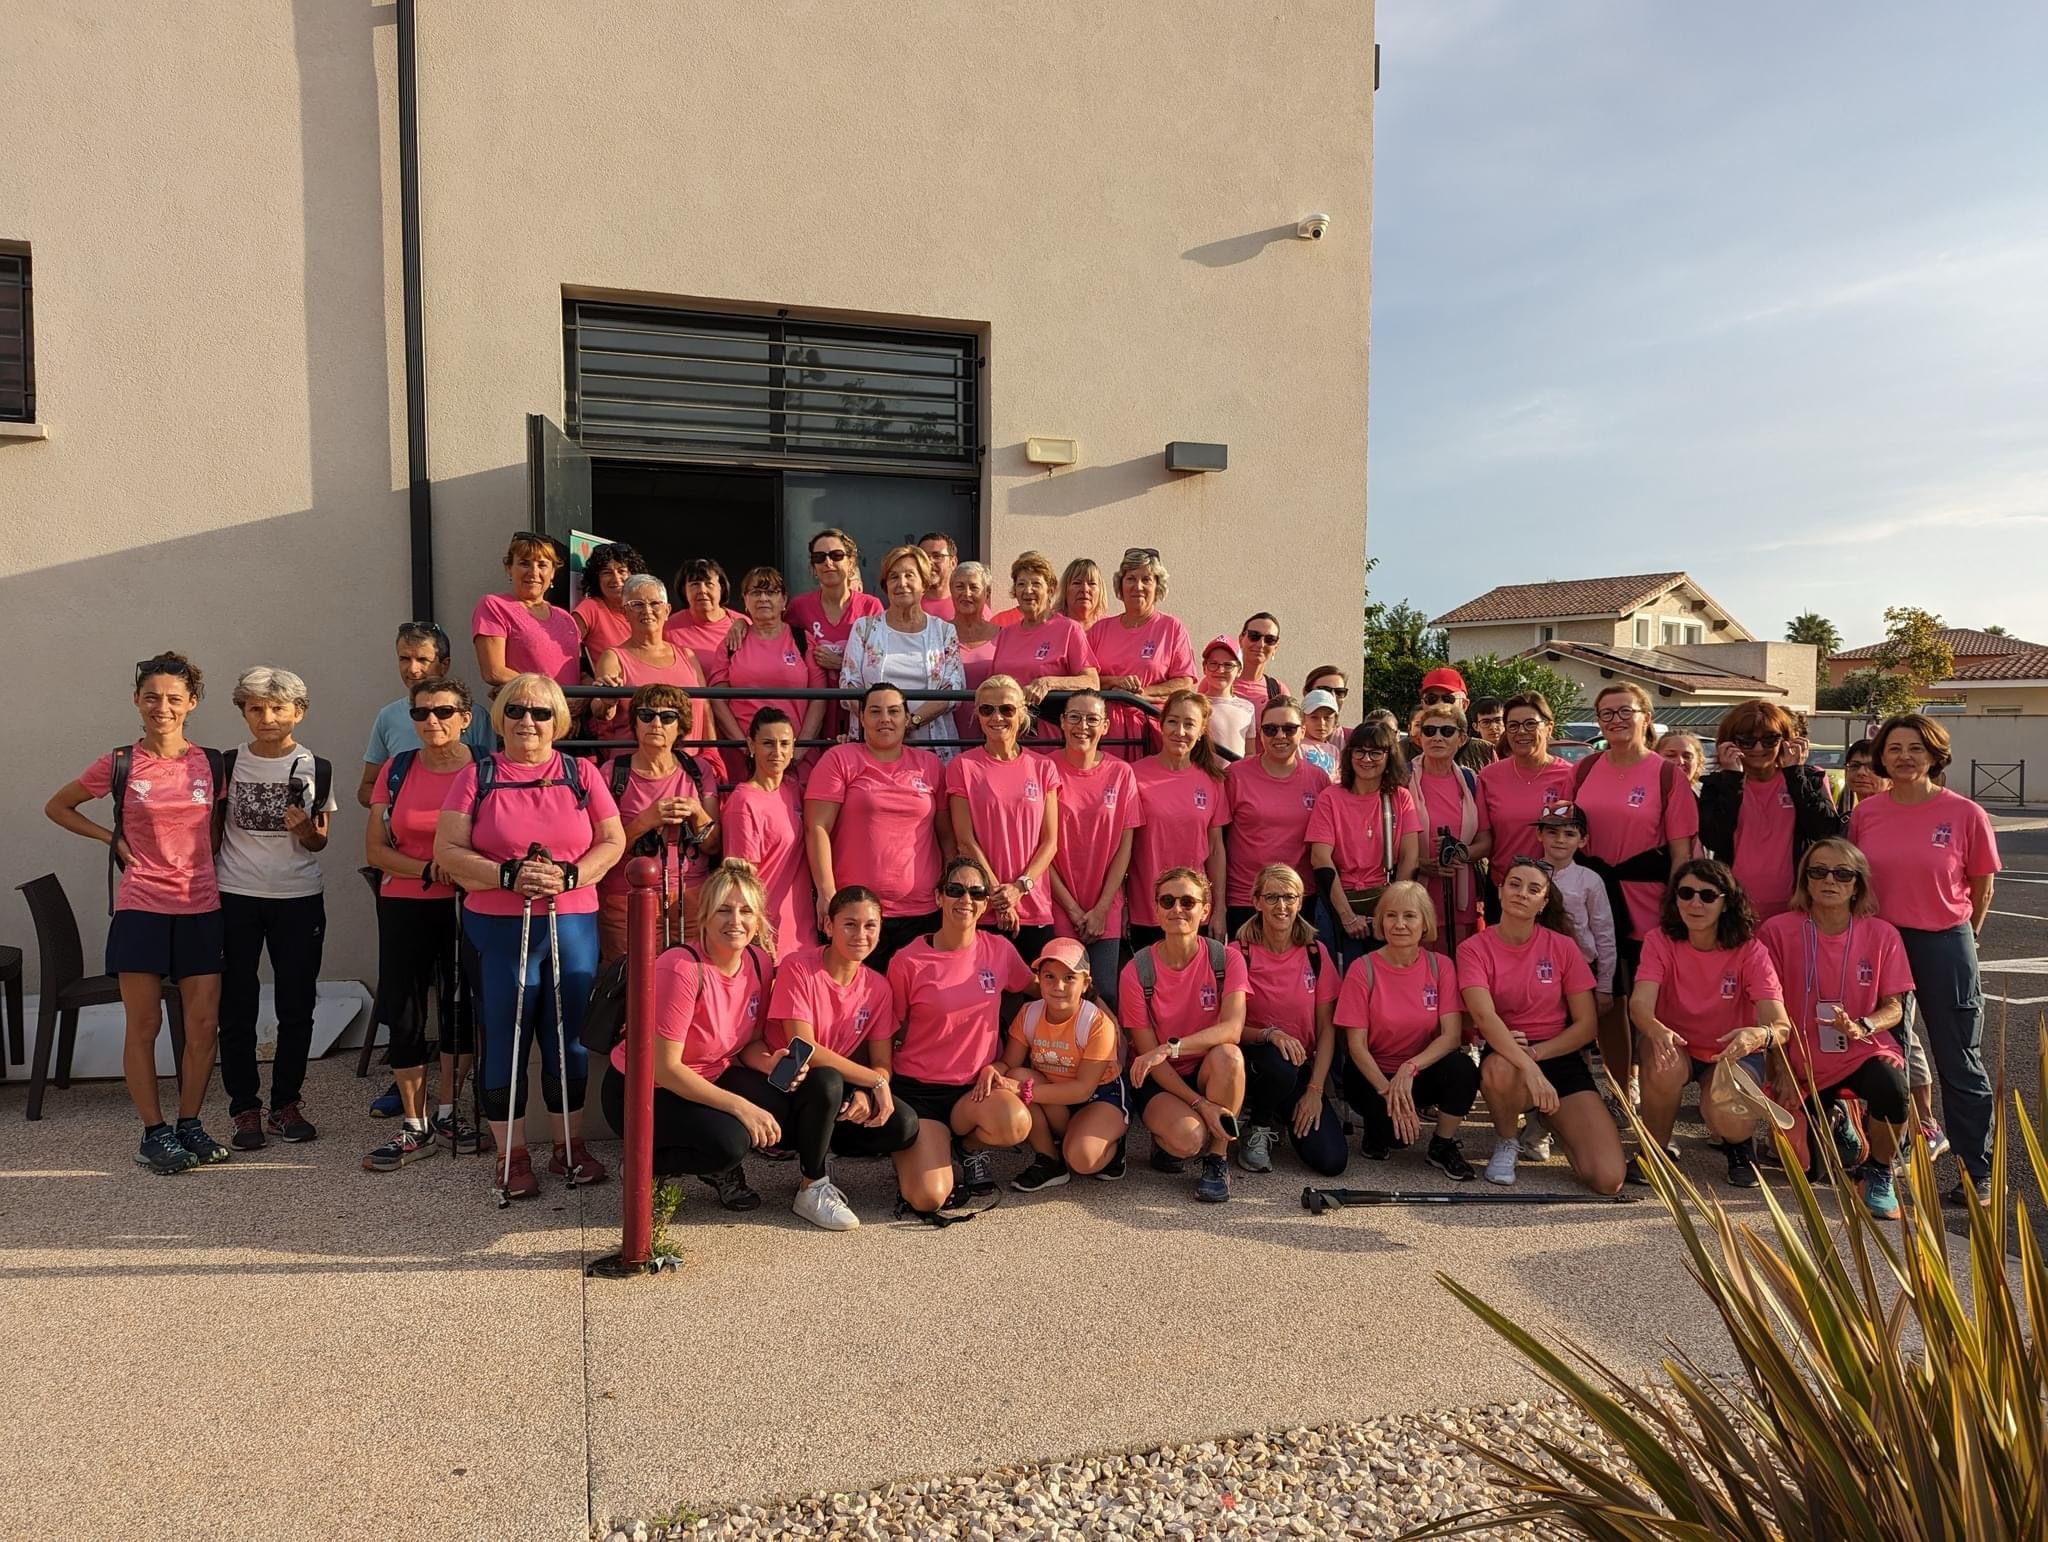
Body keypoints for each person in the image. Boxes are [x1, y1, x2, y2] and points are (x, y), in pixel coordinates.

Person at [433, 672, 626, 1198]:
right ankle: (510, 1154)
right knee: (506, 1034)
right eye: (517, 710)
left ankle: (570, 1144)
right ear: (501, 717)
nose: (528, 721)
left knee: (569, 1039)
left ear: (558, 720)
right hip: (498, 924)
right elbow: (446, 850)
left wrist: (569, 875)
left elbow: (612, 841)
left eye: (541, 713)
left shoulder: (581, 773)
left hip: (571, 920)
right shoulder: (477, 776)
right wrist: (503, 874)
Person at [45, 652, 230, 1174]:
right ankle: (153, 1132)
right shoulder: (120, 762)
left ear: (191, 703)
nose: (162, 707)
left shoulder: (211, 763)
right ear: (136, 700)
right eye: (152, 697)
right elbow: (58, 806)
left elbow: (216, 831)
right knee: (143, 1024)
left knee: (202, 1024)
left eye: (174, 698)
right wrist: (112, 839)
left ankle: (189, 1123)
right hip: (141, 905)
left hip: (202, 905)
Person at [1848, 713, 2000, 1205]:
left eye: (1916, 748)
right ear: (1881, 756)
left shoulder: (1964, 813)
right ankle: (1883, 1163)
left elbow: (1982, 886)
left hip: (1943, 943)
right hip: (1882, 943)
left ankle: (1976, 1170)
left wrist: (1965, 936)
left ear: (1936, 755)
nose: (1904, 757)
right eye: (1894, 748)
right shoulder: (1867, 813)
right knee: (1884, 1057)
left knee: (1959, 1058)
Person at [593, 859, 782, 1218]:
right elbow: (664, 1069)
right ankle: (648, 1166)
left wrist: (770, 1063)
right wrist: (740, 1106)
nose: (736, 921)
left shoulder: (759, 961)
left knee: (782, 1100)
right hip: (645, 1091)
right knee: (732, 1140)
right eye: (724, 910)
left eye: (746, 911)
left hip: (708, 1075)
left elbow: (751, 1041)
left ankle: (709, 1152)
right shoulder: (681, 968)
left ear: (758, 919)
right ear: (705, 916)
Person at [214, 666, 338, 1148]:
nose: (267, 718)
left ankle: (287, 1103)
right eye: (256, 708)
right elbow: (210, 831)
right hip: (235, 895)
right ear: (243, 711)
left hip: (298, 898)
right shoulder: (225, 764)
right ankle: (245, 1108)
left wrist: (304, 829)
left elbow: (320, 842)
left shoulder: (316, 767)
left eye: (278, 708)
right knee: (237, 1006)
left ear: (298, 712)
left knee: (297, 1005)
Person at [750, 885, 923, 1229]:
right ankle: (811, 1186)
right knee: (826, 1079)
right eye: (850, 924)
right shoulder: (798, 967)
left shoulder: (877, 986)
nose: (861, 934)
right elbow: (805, 1048)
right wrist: (871, 1081)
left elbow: (881, 1063)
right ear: (829, 926)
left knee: (903, 1125)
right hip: (783, 1084)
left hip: (829, 1090)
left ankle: (823, 1144)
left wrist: (864, 1091)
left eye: (870, 925)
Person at [362, 675, 482, 1170]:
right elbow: (375, 849)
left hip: (467, 902)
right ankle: (415, 1124)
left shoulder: (484, 770)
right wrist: (430, 868)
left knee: (460, 1005)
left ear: (465, 719)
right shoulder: (398, 767)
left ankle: (451, 1110)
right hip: (406, 902)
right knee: (406, 1009)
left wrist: (461, 869)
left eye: (444, 712)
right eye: (421, 712)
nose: (432, 721)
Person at [1758, 839, 1914, 1217]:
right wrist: (1779, 1066)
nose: (1830, 880)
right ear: (1806, 880)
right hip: (1803, 1059)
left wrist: (1863, 1025)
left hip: (1861, 1049)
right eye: (1818, 871)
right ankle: (1843, 1121)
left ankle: (1878, 1170)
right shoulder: (1777, 931)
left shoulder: (1882, 934)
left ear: (1856, 884)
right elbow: (1765, 1007)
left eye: (1842, 873)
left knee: (1892, 1089)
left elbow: (1894, 1007)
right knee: (1807, 1173)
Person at [1458, 856, 1624, 1193]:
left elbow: (1587, 1026)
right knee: (1500, 1071)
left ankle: (1547, 1118)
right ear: (1501, 891)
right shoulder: (1473, 948)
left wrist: (1538, 1055)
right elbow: (1485, 1020)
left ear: (1544, 902)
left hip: (1558, 1053)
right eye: (1515, 884)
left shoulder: (1562, 947)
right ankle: (1508, 1141)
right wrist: (1530, 1068)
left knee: (1608, 1179)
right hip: (1508, 1050)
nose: (1522, 893)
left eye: (1533, 889)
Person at [878, 856, 1035, 1211]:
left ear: (984, 904)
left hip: (974, 1091)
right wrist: (879, 1087)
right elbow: (887, 1032)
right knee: (929, 1198)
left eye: (977, 893)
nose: (966, 899)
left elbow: (1040, 989)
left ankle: (968, 1149)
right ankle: (922, 1148)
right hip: (920, 1090)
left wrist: (1091, 1001)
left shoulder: (999, 950)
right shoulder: (907, 960)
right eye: (955, 890)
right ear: (938, 898)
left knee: (1015, 1123)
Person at [1630, 860, 1790, 1188]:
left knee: (1725, 1112)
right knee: (1663, 1062)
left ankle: (1741, 1147)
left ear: (1726, 901)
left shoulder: (1751, 950)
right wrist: (1656, 1029)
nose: (1695, 903)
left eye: (1707, 895)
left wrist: (1758, 1034)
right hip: (1678, 1044)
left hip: (1730, 1052)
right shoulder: (1659, 940)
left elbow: (1781, 1025)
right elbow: (1639, 1005)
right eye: (1686, 893)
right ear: (1674, 899)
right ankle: (1655, 1149)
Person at [1571, 682, 1699, 1085]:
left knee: (1645, 1003)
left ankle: (1653, 1086)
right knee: (1605, 999)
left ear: (1647, 718)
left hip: (1646, 903)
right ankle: (1619, 1086)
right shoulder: (1586, 768)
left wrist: (1677, 910)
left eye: (1626, 711)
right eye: (1607, 713)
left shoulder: (1665, 774)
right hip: (1592, 900)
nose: (1616, 720)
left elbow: (1681, 854)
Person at [1333, 882, 1479, 1179]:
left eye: (1410, 916)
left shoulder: (1441, 966)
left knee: (1463, 1068)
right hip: (1372, 1076)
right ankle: (1376, 1131)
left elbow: (1451, 1036)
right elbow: (1356, 1047)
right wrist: (1390, 1092)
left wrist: (1409, 1069)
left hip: (1418, 1071)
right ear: (1381, 921)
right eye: (1391, 916)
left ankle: (1442, 1144)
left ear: (1425, 922)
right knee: (1392, 1141)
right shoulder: (1362, 969)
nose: (1399, 924)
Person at [805, 683, 953, 971]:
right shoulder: (840, 759)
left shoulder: (930, 765)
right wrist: (826, 892)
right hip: (857, 911)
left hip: (922, 911)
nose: (885, 718)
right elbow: (817, 827)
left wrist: (948, 893)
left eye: (894, 711)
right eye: (875, 711)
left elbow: (946, 836)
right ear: (861, 719)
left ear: (906, 718)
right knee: (858, 1003)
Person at [1123, 867, 1250, 1203]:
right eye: (1167, 900)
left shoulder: (1226, 958)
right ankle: (1172, 1139)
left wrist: (1172, 1046)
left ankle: (1217, 1158)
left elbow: (1232, 1029)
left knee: (1229, 1055)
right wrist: (1202, 1105)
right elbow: (1149, 1055)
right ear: (1156, 909)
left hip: (1205, 1067)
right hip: (1160, 1077)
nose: (1177, 908)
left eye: (1188, 901)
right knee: (1187, 1139)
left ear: (1205, 910)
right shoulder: (1136, 969)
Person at [1232, 864, 1347, 1176]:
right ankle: (1258, 1124)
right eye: (1271, 897)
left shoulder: (1316, 952)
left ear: (1300, 901)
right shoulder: (1238, 953)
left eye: (1289, 897)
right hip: (1252, 1061)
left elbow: (1326, 1031)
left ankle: (1279, 1113)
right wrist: (1270, 1034)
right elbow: (1225, 1027)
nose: (1281, 906)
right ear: (1256, 901)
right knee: (1278, 1060)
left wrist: (1315, 1090)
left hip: (1297, 1068)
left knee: (1332, 1160)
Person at [595, 683, 718, 960]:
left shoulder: (698, 770)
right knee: (630, 985)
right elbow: (600, 850)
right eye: (647, 715)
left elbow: (713, 845)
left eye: (668, 717)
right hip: (628, 898)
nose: (657, 724)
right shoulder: (613, 773)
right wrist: (646, 820)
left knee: (689, 977)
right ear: (635, 723)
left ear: (681, 726)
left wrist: (698, 813)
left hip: (692, 896)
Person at [997, 937, 1131, 1190]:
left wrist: (1019, 1090)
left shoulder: (1097, 1022)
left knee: (1083, 1159)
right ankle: (1050, 1160)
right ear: (1039, 979)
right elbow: (1009, 1065)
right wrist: (992, 1073)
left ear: (1085, 983)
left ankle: (1112, 1143)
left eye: (1069, 977)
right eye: (1049, 976)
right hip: (1056, 1093)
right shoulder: (1029, 1013)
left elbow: (1083, 1089)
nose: (1058, 986)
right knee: (1016, 1074)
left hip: (1098, 1095)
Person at [1696, 700, 1844, 924]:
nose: (1758, 749)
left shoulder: (1805, 779)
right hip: (1735, 907)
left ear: (1785, 741)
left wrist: (1795, 775)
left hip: (1796, 907)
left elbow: (1825, 831)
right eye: (1746, 741)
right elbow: (1714, 839)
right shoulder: (1718, 785)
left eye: (1769, 739)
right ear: (1730, 743)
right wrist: (1732, 779)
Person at [947, 675, 1062, 960]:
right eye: (987, 710)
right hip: (981, 907)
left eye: (1006, 710)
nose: (997, 717)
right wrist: (999, 895)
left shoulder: (1043, 766)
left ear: (1021, 713)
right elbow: (965, 840)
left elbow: (1050, 842)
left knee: (1037, 999)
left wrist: (1019, 888)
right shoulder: (963, 766)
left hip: (1034, 906)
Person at [1047, 689, 1139, 1004]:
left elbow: (1125, 847)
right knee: (1063, 995)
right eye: (1074, 717)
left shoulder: (1121, 773)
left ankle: (1108, 1054)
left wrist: (1101, 909)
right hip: (1059, 901)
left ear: (1105, 726)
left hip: (1105, 904)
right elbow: (1041, 847)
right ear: (1061, 722)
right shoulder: (1046, 769)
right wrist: (1072, 909)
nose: (1082, 726)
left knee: (1106, 993)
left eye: (1091, 719)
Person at [1308, 715, 1421, 970]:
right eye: (1360, 751)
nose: (1366, 759)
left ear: (1389, 756)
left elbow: (1410, 857)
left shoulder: (1399, 798)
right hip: (1339, 901)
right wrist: (1347, 916)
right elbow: (1320, 858)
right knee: (1340, 979)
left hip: (1385, 900)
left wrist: (1392, 912)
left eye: (1375, 752)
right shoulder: (1330, 798)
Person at [1128, 691, 1231, 950]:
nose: (1180, 731)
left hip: (1194, 909)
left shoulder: (1212, 781)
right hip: (1147, 908)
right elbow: (1121, 848)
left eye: (1189, 724)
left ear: (1202, 729)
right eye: (1173, 721)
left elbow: (1216, 849)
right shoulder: (1134, 775)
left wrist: (1219, 909)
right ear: (1161, 724)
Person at [840, 545, 965, 755]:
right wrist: (884, 726)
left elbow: (952, 691)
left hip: (932, 750)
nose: (902, 584)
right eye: (894, 577)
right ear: (885, 585)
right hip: (873, 746)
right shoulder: (865, 628)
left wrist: (908, 723)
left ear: (924, 583)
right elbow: (849, 685)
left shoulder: (944, 631)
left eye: (910, 575)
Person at [709, 566, 827, 781]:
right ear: (745, 600)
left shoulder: (803, 640)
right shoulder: (731, 643)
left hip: (796, 758)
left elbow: (819, 698)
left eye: (771, 592)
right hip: (744, 758)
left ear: (784, 600)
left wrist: (800, 748)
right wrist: (744, 746)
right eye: (755, 592)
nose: (763, 598)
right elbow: (718, 701)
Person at [357, 621, 492, 808]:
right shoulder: (388, 716)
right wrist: (397, 804)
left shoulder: (476, 717)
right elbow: (366, 788)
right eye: (404, 658)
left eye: (422, 660)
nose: (412, 669)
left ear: (444, 665)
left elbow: (493, 781)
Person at [1223, 696, 1328, 935]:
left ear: (1302, 731)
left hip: (1298, 898)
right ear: (1260, 734)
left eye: (1289, 728)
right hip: (1246, 896)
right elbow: (1218, 840)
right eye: (1270, 729)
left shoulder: (1318, 779)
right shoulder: (1236, 775)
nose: (1279, 736)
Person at [587, 575, 713, 762]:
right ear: (624, 611)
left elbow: (705, 708)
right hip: (635, 772)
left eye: (655, 603)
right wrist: (607, 702)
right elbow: (600, 710)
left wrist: (712, 754)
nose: (647, 610)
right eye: (637, 604)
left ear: (667, 610)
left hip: (688, 771)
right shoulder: (613, 657)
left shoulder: (688, 656)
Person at [1087, 547, 1196, 761]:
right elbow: (1082, 678)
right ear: (1121, 584)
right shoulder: (1100, 629)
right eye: (1131, 579)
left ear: (1158, 586)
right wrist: (1114, 683)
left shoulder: (1171, 627)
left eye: (1146, 579)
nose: (1138, 586)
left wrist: (1143, 694)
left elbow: (1184, 681)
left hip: (1153, 730)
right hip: (1106, 732)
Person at [721, 708, 814, 958]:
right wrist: (758, 931)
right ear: (751, 745)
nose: (777, 752)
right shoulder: (743, 802)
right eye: (768, 743)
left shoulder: (793, 790)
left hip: (801, 928)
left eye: (784, 743)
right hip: (764, 933)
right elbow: (742, 879)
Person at [1407, 702, 1490, 953]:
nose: (1437, 738)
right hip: (1416, 894)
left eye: (1446, 731)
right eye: (1429, 731)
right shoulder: (1402, 778)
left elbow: (1486, 840)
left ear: (1462, 738)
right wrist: (1420, 863)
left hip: (1461, 896)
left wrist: (1461, 854)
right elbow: (1385, 839)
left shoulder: (1471, 781)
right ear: (1419, 737)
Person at [987, 550, 1098, 734]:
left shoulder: (1069, 629)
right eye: (1021, 584)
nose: (1027, 590)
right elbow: (992, 683)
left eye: (1036, 584)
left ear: (1051, 589)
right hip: (1006, 733)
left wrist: (1048, 683)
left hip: (1048, 734)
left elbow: (1092, 681)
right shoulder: (1006, 634)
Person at [1476, 692, 1578, 870]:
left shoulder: (1570, 775)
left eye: (1530, 724)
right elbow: (1484, 841)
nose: (1521, 731)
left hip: (1555, 886)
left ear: (1549, 728)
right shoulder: (1489, 776)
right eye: (1513, 726)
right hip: (1503, 885)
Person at [472, 532, 580, 696]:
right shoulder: (494, 606)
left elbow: (576, 672)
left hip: (571, 718)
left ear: (552, 572)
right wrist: (552, 696)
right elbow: (494, 672)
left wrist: (584, 697)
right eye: (524, 564)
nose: (533, 572)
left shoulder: (566, 618)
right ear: (509, 568)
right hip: (529, 714)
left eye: (542, 565)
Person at [784, 526, 882, 688]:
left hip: (856, 706)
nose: (828, 562)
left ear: (850, 562)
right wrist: (741, 623)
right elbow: (774, 640)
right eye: (819, 557)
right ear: (813, 566)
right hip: (812, 705)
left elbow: (880, 664)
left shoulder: (870, 606)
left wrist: (840, 663)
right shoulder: (799, 606)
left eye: (836, 555)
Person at [663, 557, 749, 679]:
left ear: (721, 588)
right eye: (695, 584)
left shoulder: (742, 624)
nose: (702, 590)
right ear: (684, 590)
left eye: (709, 584)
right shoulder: (667, 628)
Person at [947, 561, 1003, 738]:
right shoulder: (938, 634)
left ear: (987, 593)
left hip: (993, 730)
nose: (966, 593)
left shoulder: (1004, 636)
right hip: (946, 731)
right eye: (959, 587)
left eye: (974, 587)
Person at [572, 541, 651, 658]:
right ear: (596, 578)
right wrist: (583, 675)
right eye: (607, 572)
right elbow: (565, 649)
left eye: (621, 571)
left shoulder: (645, 610)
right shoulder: (590, 608)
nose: (616, 579)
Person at [1408, 668, 1495, 770]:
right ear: (1423, 704)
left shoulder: (1484, 751)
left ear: (1464, 705)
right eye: (1431, 699)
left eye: (1448, 699)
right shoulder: (1401, 752)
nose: (1439, 705)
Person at [1197, 635, 1257, 756]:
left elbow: (1250, 753)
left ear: (1239, 670)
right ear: (1204, 668)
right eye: (1213, 664)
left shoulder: (1247, 708)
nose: (1220, 670)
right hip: (1203, 773)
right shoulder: (1194, 705)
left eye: (1228, 665)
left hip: (1237, 774)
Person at [1235, 613, 1289, 712]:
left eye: (1270, 639)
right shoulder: (1216, 681)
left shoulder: (1279, 690)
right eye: (1254, 636)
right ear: (1241, 639)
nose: (1261, 644)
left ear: (1276, 646)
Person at [1299, 686, 1343, 778]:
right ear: (1302, 718)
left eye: (1327, 718)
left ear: (1335, 721)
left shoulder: (1335, 751)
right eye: (1314, 717)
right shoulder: (1297, 746)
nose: (1321, 723)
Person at [1836, 736, 1884, 817]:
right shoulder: (1849, 819)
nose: (1861, 772)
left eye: (1871, 767)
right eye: (1855, 765)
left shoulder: (1899, 817)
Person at [1058, 556, 1107, 632]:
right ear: (1065, 589)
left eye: (1091, 583)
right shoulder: (1051, 626)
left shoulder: (1110, 628)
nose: (1084, 589)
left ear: (1101, 591)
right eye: (1077, 583)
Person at [918, 532, 960, 620]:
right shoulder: (906, 606)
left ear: (953, 562)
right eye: (923, 557)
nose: (929, 562)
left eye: (937, 556)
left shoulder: (968, 606)